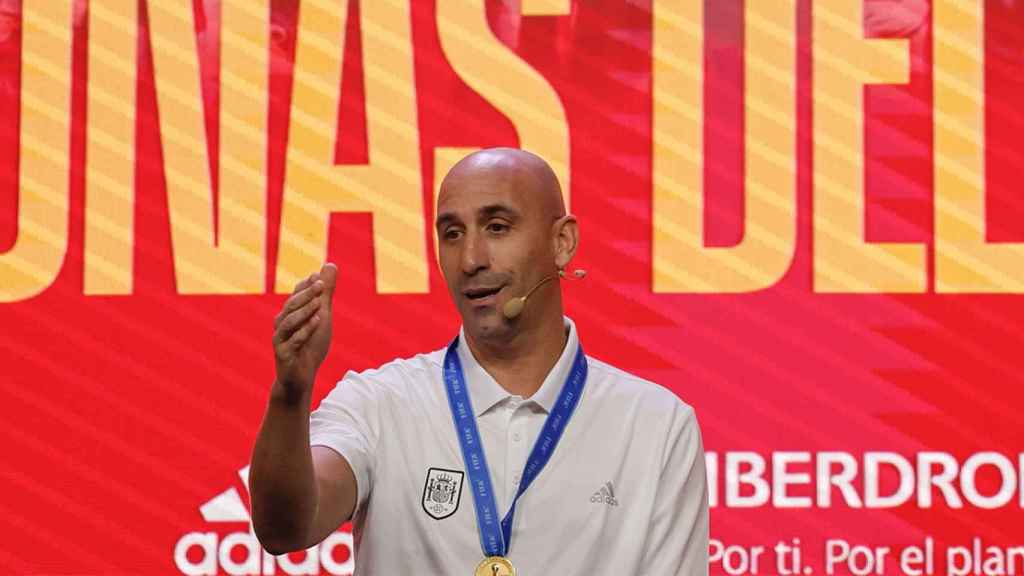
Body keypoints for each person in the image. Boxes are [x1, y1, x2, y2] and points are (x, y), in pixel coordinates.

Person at [249, 148, 709, 575]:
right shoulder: (380, 404)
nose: (470, 259)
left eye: (497, 227)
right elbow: (286, 528)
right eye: (452, 234)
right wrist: (291, 393)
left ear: (563, 243)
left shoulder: (657, 426)